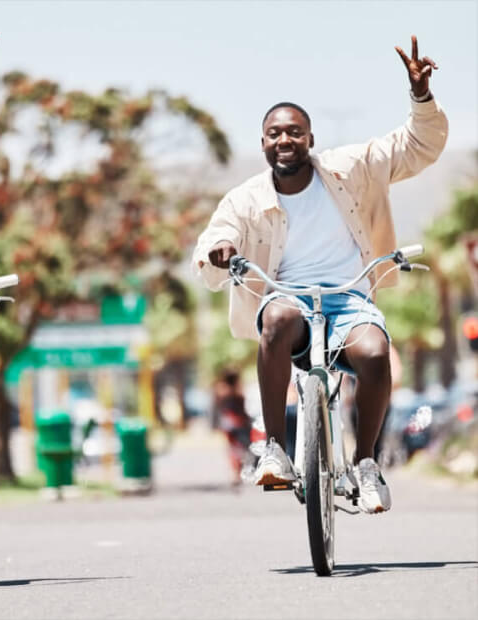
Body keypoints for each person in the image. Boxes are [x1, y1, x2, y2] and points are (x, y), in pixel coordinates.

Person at [192, 36, 448, 514]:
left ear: (310, 139)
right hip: (288, 299)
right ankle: (274, 448)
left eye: (294, 132)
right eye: (274, 133)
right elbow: (215, 238)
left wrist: (420, 97)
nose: (284, 140)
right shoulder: (246, 198)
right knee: (275, 320)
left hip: (349, 299)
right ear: (263, 142)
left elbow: (419, 146)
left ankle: (367, 464)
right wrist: (220, 250)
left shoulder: (350, 169)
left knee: (374, 354)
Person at [213, 370, 252, 487]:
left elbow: (218, 407)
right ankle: (236, 473)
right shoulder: (236, 393)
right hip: (237, 423)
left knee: (233, 449)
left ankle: (235, 473)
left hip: (228, 423)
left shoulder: (221, 392)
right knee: (238, 449)